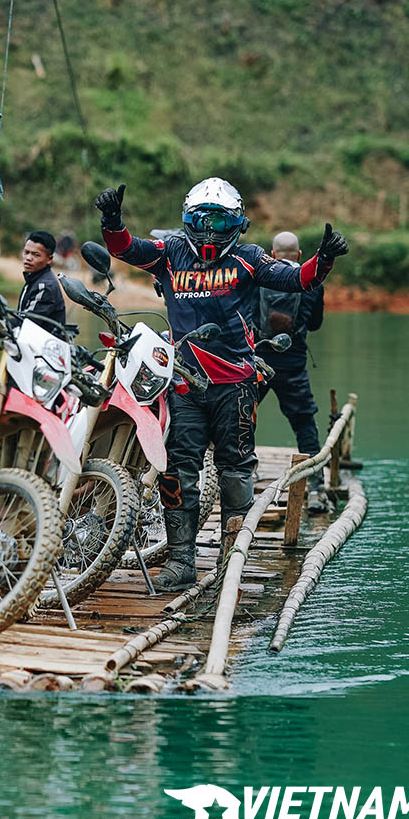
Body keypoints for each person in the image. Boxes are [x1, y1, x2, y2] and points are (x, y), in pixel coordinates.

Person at [94, 179, 349, 592]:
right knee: (177, 468)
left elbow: (296, 280)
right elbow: (126, 249)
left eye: (220, 221)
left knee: (235, 469)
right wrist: (111, 219)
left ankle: (233, 557)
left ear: (237, 223)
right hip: (183, 383)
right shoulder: (171, 252)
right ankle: (181, 560)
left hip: (236, 383)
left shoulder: (249, 258)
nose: (210, 230)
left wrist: (323, 260)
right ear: (187, 219)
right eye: (201, 220)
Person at [253, 230, 327, 511]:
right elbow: (316, 323)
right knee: (304, 424)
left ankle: (244, 476)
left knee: (243, 418)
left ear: (272, 254)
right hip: (293, 365)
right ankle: (317, 488)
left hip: (258, 361)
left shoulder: (258, 279)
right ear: (299, 256)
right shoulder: (312, 283)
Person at [18, 230, 66, 328]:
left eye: (36, 255)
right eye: (26, 252)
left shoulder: (45, 286)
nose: (28, 258)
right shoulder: (33, 278)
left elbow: (26, 323)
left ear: (49, 259)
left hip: (43, 343)